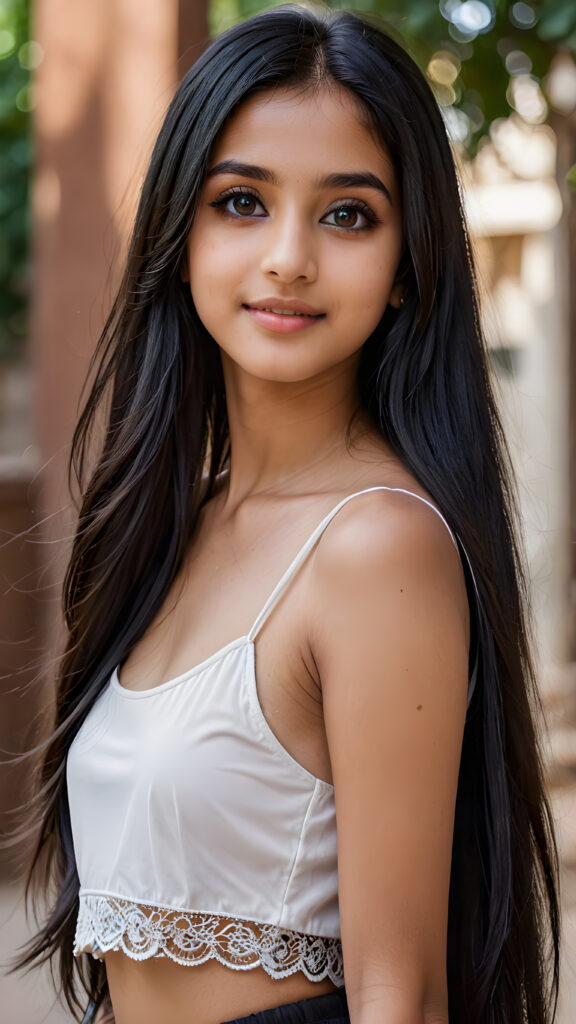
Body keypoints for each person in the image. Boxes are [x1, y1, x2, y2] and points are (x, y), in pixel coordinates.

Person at [17, 3, 560, 1023]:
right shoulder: (173, 525)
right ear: (179, 235)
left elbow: (402, 991)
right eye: (241, 203)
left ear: (408, 267)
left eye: (348, 214)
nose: (289, 258)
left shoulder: (375, 545)